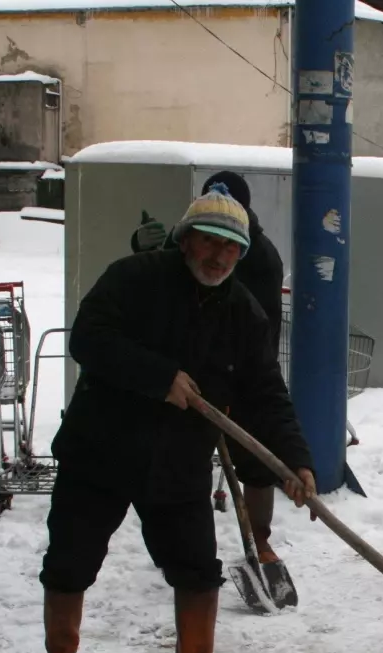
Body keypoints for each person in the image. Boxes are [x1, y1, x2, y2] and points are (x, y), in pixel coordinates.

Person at [34, 186, 316, 653]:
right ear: (186, 241)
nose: (218, 257)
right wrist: (159, 377)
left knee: (196, 570)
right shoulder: (133, 278)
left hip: (178, 461)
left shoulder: (244, 313)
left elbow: (265, 393)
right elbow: (88, 339)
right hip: (101, 451)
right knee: (70, 560)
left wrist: (296, 461)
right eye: (209, 243)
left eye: (231, 249)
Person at [132, 172, 288, 571]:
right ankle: (181, 538)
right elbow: (157, 286)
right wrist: (141, 248)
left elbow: (261, 330)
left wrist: (237, 391)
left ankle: (260, 541)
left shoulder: (262, 258)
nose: (220, 251)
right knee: (182, 458)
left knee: (255, 459)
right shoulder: (187, 240)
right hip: (184, 375)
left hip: (242, 371)